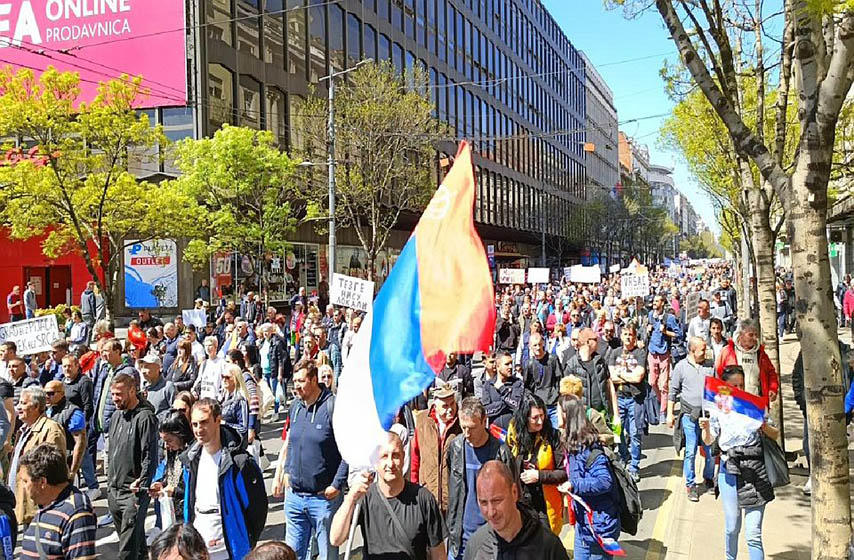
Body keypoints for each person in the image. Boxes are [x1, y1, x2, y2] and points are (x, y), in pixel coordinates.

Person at [329, 432, 447, 559]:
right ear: (374, 462)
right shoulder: (364, 498)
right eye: (384, 456)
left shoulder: (423, 498)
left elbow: (438, 554)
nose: (390, 464)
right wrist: (351, 497)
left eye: (395, 456)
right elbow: (336, 539)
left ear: (403, 458)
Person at [273, 360, 347, 560]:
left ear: (314, 380)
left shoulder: (333, 407)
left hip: (323, 499)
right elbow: (291, 442)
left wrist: (337, 484)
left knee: (327, 556)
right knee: (292, 555)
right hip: (295, 498)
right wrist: (287, 470)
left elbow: (347, 451)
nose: (296, 386)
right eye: (295, 381)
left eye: (301, 381)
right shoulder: (295, 406)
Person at [700, 365, 776, 560]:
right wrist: (706, 428)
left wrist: (764, 426)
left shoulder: (754, 406)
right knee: (732, 526)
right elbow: (709, 441)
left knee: (753, 534)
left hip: (755, 473)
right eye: (734, 385)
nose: (739, 389)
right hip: (729, 471)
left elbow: (775, 434)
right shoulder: (718, 409)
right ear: (725, 386)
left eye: (741, 384)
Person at [181, 398, 267, 560]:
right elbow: (190, 501)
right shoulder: (192, 458)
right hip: (198, 547)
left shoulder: (239, 462)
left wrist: (246, 540)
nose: (199, 429)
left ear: (218, 420)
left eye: (204, 422)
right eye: (195, 424)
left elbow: (257, 509)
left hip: (229, 549)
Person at [446, 398, 515, 560]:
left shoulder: (501, 453)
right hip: (459, 539)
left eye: (472, 428)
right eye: (463, 428)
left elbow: (514, 496)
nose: (467, 434)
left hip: (491, 538)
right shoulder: (456, 447)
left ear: (485, 421)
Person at [464, 461, 570, 560]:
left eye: (497, 501)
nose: (491, 512)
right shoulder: (475, 546)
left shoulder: (548, 547)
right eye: (483, 503)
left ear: (514, 493)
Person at [558, 395, 621, 560]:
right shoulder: (573, 444)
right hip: (584, 524)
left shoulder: (590, 449)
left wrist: (574, 484)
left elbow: (604, 481)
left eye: (558, 411)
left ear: (566, 414)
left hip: (600, 524)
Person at [107, 372, 159, 560]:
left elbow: (150, 456)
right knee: (135, 545)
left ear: (131, 391)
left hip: (133, 493)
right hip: (114, 491)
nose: (115, 399)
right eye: (112, 394)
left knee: (126, 551)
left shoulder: (145, 418)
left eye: (118, 394)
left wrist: (142, 485)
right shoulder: (115, 417)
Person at [19, 443, 97, 559]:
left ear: (42, 482)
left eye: (25, 481)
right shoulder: (46, 504)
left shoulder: (76, 513)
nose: (23, 487)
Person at [506, 394, 566, 535]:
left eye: (542, 415)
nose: (540, 421)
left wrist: (539, 476)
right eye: (535, 418)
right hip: (520, 502)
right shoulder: (514, 436)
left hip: (545, 503)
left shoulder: (553, 436)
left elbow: (563, 472)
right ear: (524, 418)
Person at [9, 386, 67, 526]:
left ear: (36, 406)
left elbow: (54, 471)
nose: (18, 407)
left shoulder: (51, 429)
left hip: (40, 506)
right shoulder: (24, 429)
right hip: (23, 501)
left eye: (23, 403)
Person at [668, 337, 716, 501]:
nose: (705, 352)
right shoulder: (680, 367)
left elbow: (717, 389)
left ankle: (708, 478)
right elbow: (672, 392)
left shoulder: (710, 366)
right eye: (702, 349)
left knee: (710, 450)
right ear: (692, 350)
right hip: (689, 416)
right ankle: (690, 484)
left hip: (707, 417)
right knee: (690, 450)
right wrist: (669, 414)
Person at [410, 386, 462, 514]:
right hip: (427, 493)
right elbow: (415, 456)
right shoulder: (422, 420)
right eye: (445, 406)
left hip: (452, 497)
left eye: (452, 404)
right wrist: (414, 485)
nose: (450, 409)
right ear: (435, 405)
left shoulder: (461, 422)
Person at [607, 323, 647, 482]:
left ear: (635, 337)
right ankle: (624, 455)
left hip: (634, 399)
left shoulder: (640, 354)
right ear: (621, 336)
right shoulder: (614, 353)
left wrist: (621, 374)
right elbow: (611, 376)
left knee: (635, 432)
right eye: (625, 335)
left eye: (631, 335)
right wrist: (627, 375)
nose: (628, 338)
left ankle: (634, 466)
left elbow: (639, 377)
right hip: (618, 398)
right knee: (618, 431)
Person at [715, 319, 779, 402]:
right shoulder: (728, 351)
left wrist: (773, 389)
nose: (755, 338)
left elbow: (771, 374)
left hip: (755, 401)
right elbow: (718, 374)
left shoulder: (761, 354)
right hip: (733, 401)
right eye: (751, 335)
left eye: (756, 335)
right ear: (741, 335)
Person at [563, 328, 619, 422]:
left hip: (603, 416)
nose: (599, 342)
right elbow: (566, 396)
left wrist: (616, 414)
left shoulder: (600, 362)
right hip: (581, 418)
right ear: (588, 342)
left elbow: (610, 387)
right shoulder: (571, 365)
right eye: (595, 339)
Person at [150, 410, 194, 525]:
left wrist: (174, 491)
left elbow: (193, 486)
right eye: (164, 441)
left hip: (188, 514)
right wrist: (160, 484)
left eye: (169, 441)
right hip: (172, 512)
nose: (167, 445)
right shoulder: (172, 452)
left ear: (181, 435)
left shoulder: (193, 455)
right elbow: (166, 475)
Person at [44, 380, 88, 489]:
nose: (47, 397)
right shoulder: (48, 409)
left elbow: (80, 442)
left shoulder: (74, 412)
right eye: (45, 393)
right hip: (50, 464)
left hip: (66, 465)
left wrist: (73, 471)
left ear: (62, 393)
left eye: (51, 393)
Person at [647, 294, 683, 421]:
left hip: (664, 353)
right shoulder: (651, 315)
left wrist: (666, 332)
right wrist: (648, 329)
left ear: (662, 303)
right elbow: (647, 329)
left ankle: (663, 411)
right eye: (654, 301)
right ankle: (660, 400)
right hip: (652, 352)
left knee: (663, 385)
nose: (654, 303)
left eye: (657, 301)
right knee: (652, 382)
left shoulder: (670, 318)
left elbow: (679, 334)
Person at [521, 333, 563, 428]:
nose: (538, 347)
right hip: (539, 405)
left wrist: (557, 396)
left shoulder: (553, 359)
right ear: (530, 346)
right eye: (535, 345)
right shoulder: (529, 364)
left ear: (543, 343)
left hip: (553, 403)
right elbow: (527, 386)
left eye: (539, 344)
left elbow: (559, 379)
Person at [481, 352, 525, 430]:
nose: (511, 367)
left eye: (511, 363)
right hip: (495, 434)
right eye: (507, 364)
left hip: (514, 432)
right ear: (498, 366)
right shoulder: (488, 385)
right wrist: (504, 403)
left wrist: (502, 389)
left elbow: (517, 405)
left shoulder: (517, 383)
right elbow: (485, 411)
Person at [258, 323, 289, 421]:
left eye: (267, 331)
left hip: (273, 372)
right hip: (263, 372)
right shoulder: (262, 343)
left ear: (271, 331)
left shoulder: (276, 343)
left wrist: (280, 374)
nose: (266, 333)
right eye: (264, 331)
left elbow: (280, 360)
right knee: (265, 394)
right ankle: (264, 412)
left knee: (275, 393)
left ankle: (276, 412)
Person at [139, 355, 176, 422]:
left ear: (158, 368)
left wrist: (157, 418)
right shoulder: (143, 389)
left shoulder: (168, 387)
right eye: (142, 367)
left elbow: (175, 411)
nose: (143, 371)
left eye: (147, 367)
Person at [220, 364, 249, 439]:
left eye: (227, 377)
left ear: (235, 379)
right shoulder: (222, 397)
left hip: (235, 443)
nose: (224, 380)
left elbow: (243, 428)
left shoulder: (240, 400)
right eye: (222, 376)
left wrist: (225, 424)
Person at [193, 337, 225, 401]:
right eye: (206, 345)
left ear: (215, 347)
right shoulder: (204, 363)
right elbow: (199, 379)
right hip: (203, 397)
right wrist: (194, 389)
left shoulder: (222, 363)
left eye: (210, 345)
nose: (208, 348)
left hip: (215, 398)